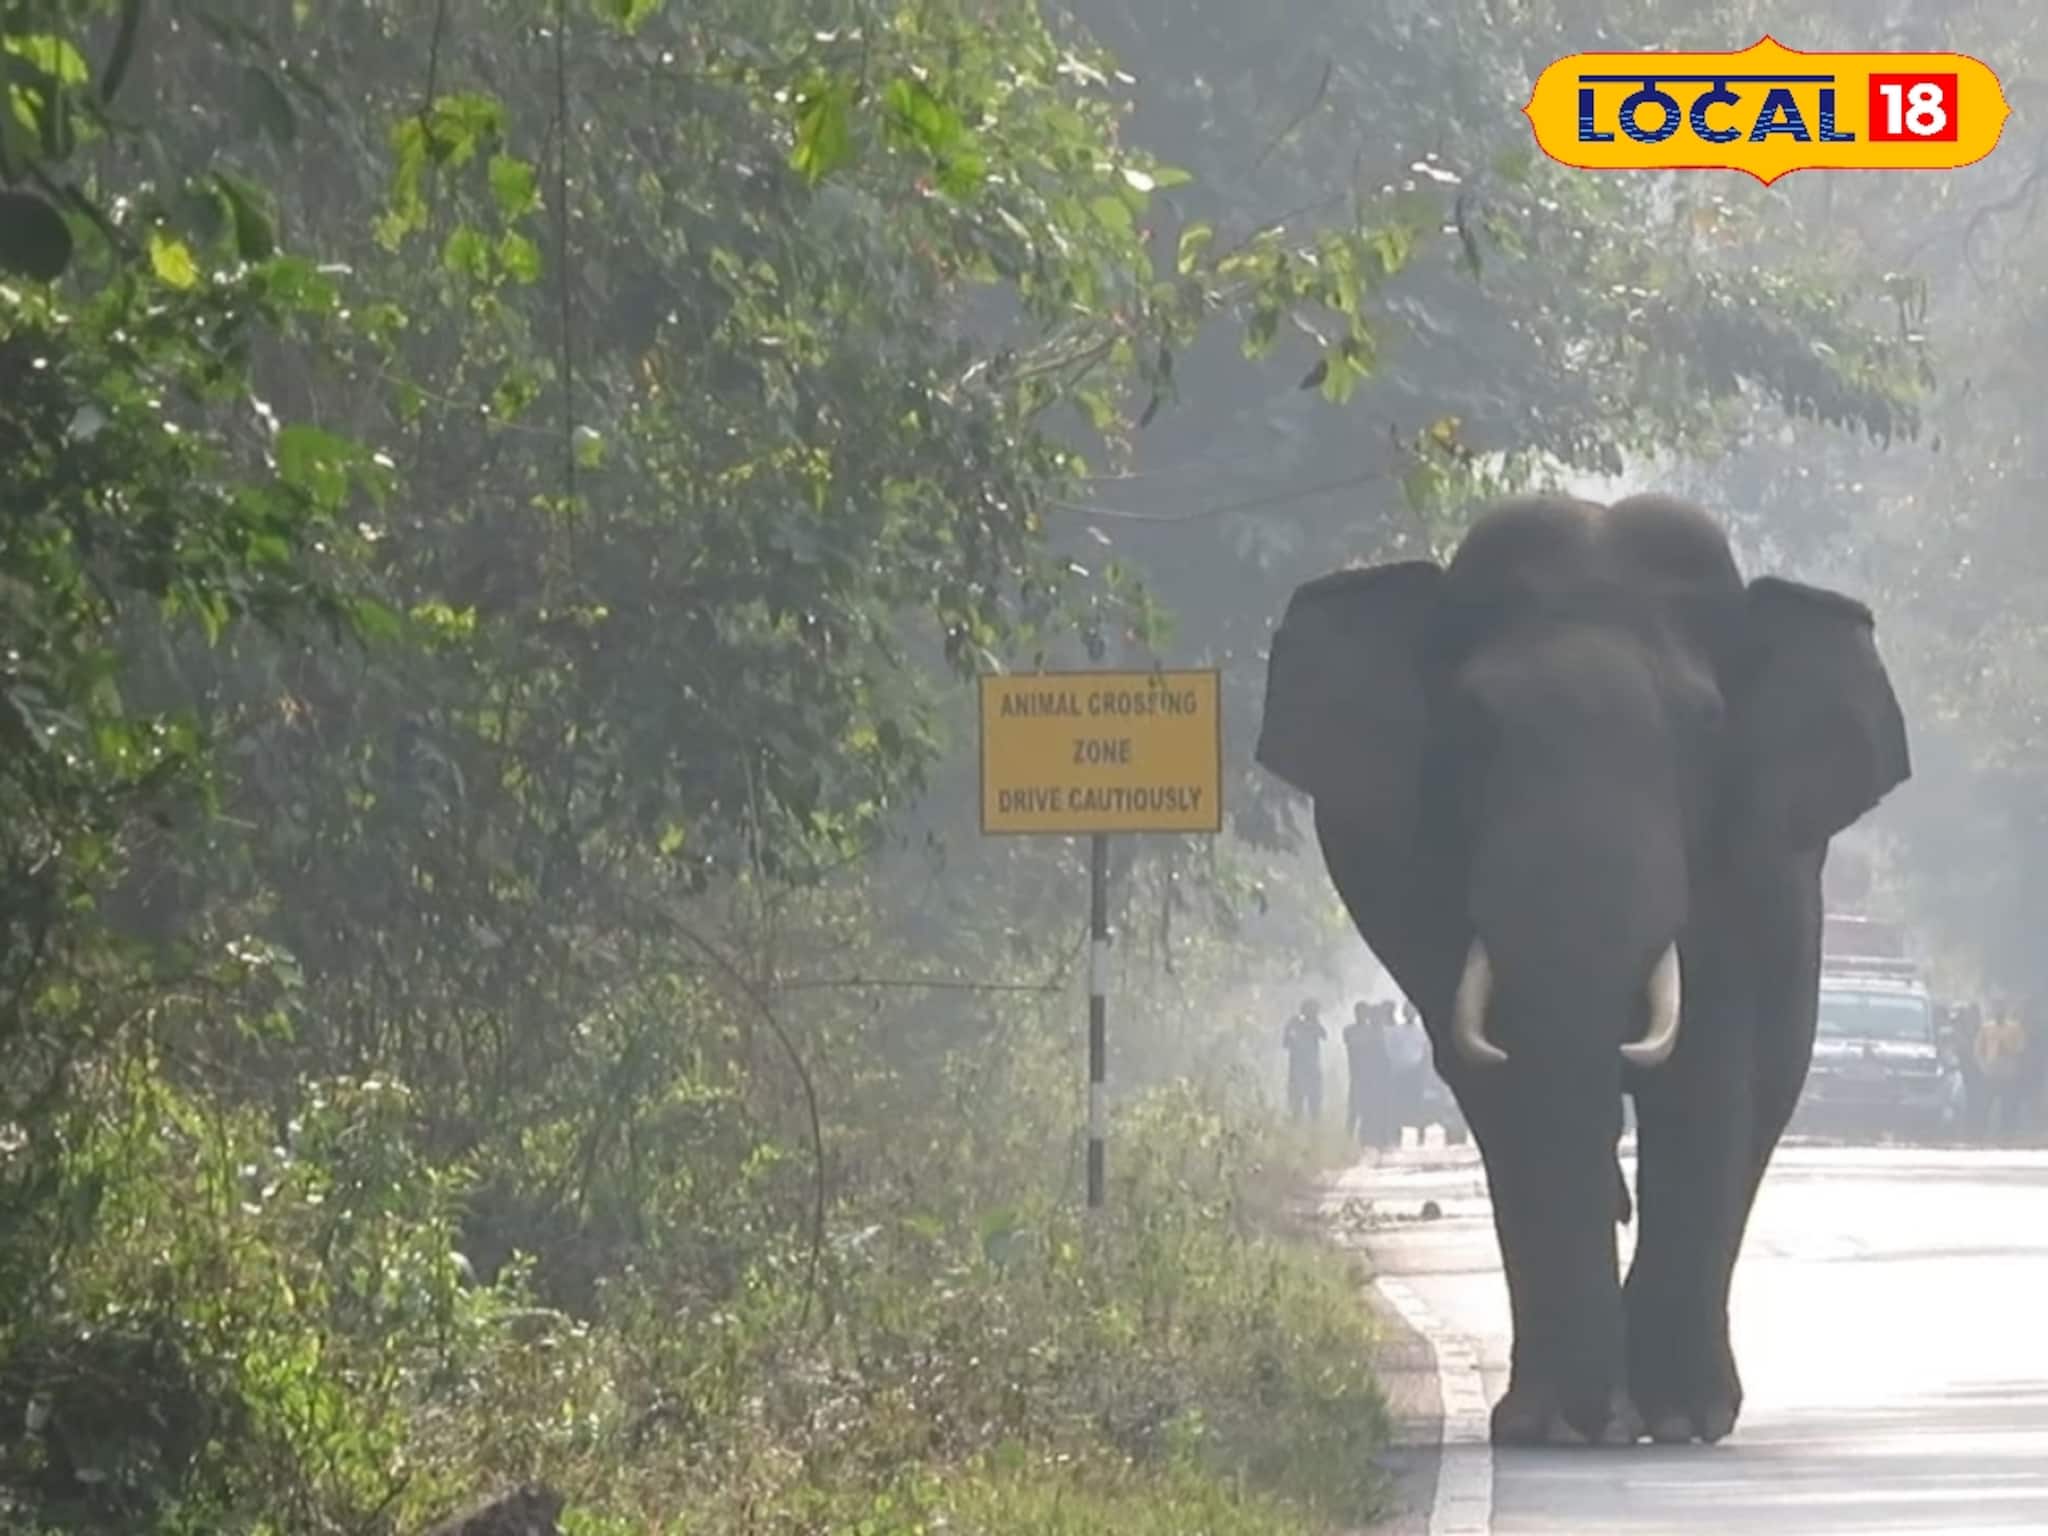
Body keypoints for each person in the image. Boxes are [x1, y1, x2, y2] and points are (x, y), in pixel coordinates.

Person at [1975, 998, 2028, 1142]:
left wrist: (2010, 1051)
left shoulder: (2015, 1028)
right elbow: (1978, 1050)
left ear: (2005, 1011)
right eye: (1997, 1009)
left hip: (2009, 1072)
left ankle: (2007, 1133)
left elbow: (2022, 1049)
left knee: (2008, 1104)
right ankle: (1981, 1132)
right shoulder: (1986, 1028)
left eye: (2001, 1009)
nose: (1999, 1012)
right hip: (1991, 1072)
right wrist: (1983, 1066)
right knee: (1986, 1104)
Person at [1384, 1000, 1430, 1146]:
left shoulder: (1421, 1032)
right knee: (1398, 1105)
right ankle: (1396, 1138)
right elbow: (1389, 1051)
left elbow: (1426, 1052)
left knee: (1418, 1105)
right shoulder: (1396, 1031)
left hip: (1416, 1073)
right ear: (1403, 1013)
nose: (1409, 1014)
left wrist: (1424, 1071)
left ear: (1415, 1014)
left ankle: (1421, 1136)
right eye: (1407, 1011)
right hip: (1400, 1072)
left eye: (1412, 1011)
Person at [1343, 1001, 1389, 1146]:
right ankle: (1348, 1139)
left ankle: (1366, 1140)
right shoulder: (1351, 1030)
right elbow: (1354, 1046)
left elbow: (1379, 1052)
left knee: (1368, 1110)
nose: (1363, 1016)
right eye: (1360, 1012)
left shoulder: (1373, 1031)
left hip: (1370, 1076)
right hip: (1357, 1074)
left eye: (1365, 1013)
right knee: (1354, 1110)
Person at [1283, 998, 1327, 1123]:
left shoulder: (1315, 1024)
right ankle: (1296, 1130)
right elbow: (1286, 1043)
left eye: (1315, 1012)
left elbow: (1324, 1035)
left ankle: (1315, 1131)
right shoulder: (1294, 1022)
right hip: (1298, 1069)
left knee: (1315, 1108)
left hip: (1312, 1070)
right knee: (1297, 1107)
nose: (1314, 1014)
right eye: (1312, 1011)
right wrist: (1295, 1036)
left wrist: (1314, 1023)